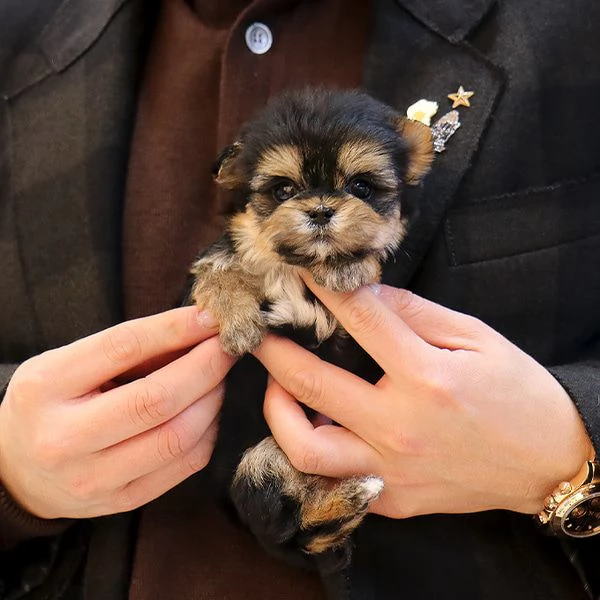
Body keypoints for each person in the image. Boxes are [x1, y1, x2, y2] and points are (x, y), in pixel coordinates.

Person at [1, 0, 599, 598]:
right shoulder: (18, 31)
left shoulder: (571, 26)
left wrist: (569, 451)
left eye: (361, 186)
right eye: (284, 189)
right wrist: (9, 476)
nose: (317, 209)